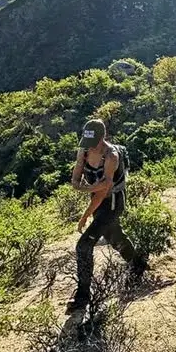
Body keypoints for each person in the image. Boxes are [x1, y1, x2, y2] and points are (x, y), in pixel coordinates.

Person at [68, 118, 146, 315]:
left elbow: (103, 191)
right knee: (113, 235)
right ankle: (138, 264)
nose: (90, 147)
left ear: (103, 137)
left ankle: (82, 296)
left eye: (93, 142)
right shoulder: (84, 151)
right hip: (100, 200)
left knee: (83, 245)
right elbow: (76, 178)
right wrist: (90, 187)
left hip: (113, 202)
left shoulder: (111, 156)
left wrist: (84, 216)